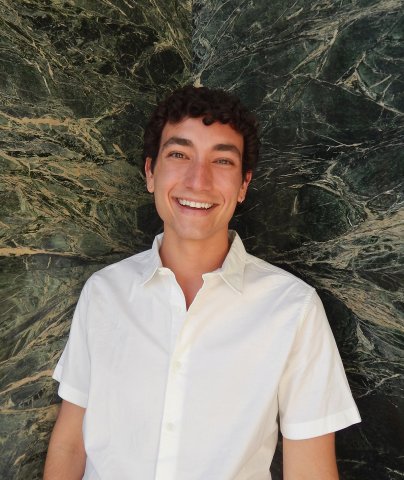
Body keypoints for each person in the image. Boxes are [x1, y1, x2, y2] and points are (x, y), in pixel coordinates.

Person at [44, 85, 361, 480]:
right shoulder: (104, 293)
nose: (199, 180)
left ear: (244, 185)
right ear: (150, 173)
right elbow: (70, 442)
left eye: (222, 161)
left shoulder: (293, 309)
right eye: (179, 154)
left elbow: (310, 471)